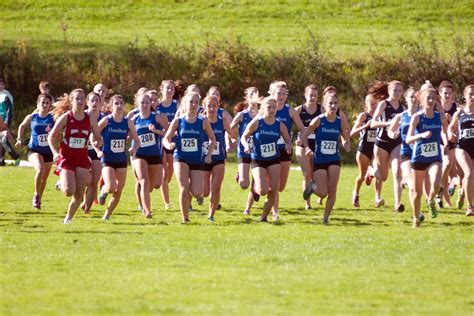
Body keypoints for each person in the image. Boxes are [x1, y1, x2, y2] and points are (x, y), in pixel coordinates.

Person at [48, 89, 103, 224]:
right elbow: (51, 137)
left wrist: (97, 142)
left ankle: (68, 218)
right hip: (67, 157)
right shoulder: (67, 117)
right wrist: (55, 152)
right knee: (68, 191)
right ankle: (62, 181)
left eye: (82, 99)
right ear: (71, 101)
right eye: (77, 99)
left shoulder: (90, 119)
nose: (79, 101)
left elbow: (99, 138)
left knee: (79, 193)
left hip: (82, 158)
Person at [163, 92, 216, 223]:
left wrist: (208, 155)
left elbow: (213, 140)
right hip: (180, 157)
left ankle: (196, 197)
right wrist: (169, 145)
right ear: (185, 104)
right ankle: (185, 218)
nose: (193, 105)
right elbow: (166, 138)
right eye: (191, 102)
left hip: (197, 159)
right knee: (183, 187)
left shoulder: (203, 121)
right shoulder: (178, 121)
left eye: (196, 103)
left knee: (198, 192)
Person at [302, 93, 351, 224]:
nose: (333, 105)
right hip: (319, 160)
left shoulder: (339, 121)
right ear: (324, 105)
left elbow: (345, 137)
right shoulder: (318, 120)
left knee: (332, 190)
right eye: (330, 103)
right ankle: (312, 187)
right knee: (323, 193)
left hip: (334, 159)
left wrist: (346, 143)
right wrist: (307, 148)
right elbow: (304, 136)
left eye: (335, 103)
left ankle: (325, 218)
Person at [241, 96, 292, 222]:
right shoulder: (257, 122)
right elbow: (243, 137)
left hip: (274, 159)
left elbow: (288, 140)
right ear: (263, 108)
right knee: (263, 190)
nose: (272, 109)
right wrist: (246, 146)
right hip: (258, 159)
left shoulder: (280, 125)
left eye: (274, 107)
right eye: (269, 107)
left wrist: (289, 145)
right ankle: (256, 187)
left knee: (273, 191)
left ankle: (263, 218)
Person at [406, 87, 448, 227]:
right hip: (419, 158)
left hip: (435, 157)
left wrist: (447, 142)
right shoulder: (417, 117)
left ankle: (430, 200)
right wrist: (420, 135)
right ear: (422, 100)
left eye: (433, 98)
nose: (431, 101)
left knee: (436, 182)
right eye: (428, 98)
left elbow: (445, 132)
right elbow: (408, 139)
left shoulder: (440, 116)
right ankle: (416, 218)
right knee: (417, 193)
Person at [94, 95, 140, 220]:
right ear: (111, 106)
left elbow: (137, 140)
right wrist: (98, 150)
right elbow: (93, 136)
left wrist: (134, 148)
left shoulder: (128, 122)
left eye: (121, 103)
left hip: (121, 160)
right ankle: (104, 190)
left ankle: (107, 215)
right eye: (116, 103)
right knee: (111, 186)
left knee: (118, 191)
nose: (119, 106)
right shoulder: (106, 121)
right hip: (107, 159)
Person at [269, 81, 305, 218]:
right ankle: (275, 212)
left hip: (285, 149)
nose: (282, 96)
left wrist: (302, 139)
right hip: (270, 150)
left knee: (281, 186)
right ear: (273, 94)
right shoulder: (267, 108)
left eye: (284, 93)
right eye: (279, 93)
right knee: (275, 184)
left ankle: (267, 193)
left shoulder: (290, 110)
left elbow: (302, 128)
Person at [131, 93, 168, 219]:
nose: (145, 105)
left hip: (155, 155)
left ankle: (144, 200)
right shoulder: (134, 119)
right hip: (139, 154)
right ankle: (147, 210)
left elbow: (169, 132)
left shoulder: (157, 118)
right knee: (144, 181)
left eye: (147, 102)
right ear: (137, 104)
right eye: (142, 102)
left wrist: (156, 131)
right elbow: (126, 135)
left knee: (152, 186)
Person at [370, 80, 405, 211]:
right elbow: (373, 123)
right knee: (383, 177)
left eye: (400, 90)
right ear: (389, 91)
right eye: (395, 90)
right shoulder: (383, 104)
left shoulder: (403, 109)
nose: (397, 93)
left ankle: (397, 204)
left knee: (397, 171)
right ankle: (371, 171)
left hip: (396, 142)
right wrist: (388, 123)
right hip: (382, 143)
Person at [15, 94, 55, 209]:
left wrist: (52, 131)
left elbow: (58, 134)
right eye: (42, 102)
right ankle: (36, 195)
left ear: (50, 105)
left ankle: (39, 199)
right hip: (34, 150)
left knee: (44, 179)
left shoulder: (53, 118)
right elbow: (22, 126)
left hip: (48, 152)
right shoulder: (32, 117)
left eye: (47, 103)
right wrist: (19, 138)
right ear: (38, 104)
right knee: (40, 170)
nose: (45, 105)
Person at [201, 95, 237, 221]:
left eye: (214, 106)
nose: (211, 108)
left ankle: (211, 215)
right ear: (204, 107)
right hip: (204, 158)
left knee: (216, 188)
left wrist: (233, 142)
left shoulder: (222, 121)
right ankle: (197, 194)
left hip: (219, 158)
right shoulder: (201, 121)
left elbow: (232, 135)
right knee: (204, 191)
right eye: (209, 106)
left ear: (218, 107)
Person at [230, 87, 259, 215]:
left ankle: (247, 209)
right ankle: (240, 174)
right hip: (244, 150)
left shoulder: (263, 114)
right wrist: (231, 140)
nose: (254, 97)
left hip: (258, 153)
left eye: (257, 94)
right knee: (244, 184)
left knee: (256, 182)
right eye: (251, 95)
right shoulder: (242, 115)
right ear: (246, 98)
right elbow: (229, 128)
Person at [387, 87, 420, 195]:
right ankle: (406, 181)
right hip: (406, 151)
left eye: (416, 97)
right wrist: (393, 135)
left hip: (420, 151)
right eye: (411, 97)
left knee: (418, 184)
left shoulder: (423, 116)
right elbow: (390, 131)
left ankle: (416, 210)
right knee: (413, 184)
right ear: (406, 98)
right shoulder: (401, 116)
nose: (414, 99)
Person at [448, 85, 474, 216]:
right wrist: (450, 134)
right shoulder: (459, 113)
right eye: (470, 94)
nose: (473, 97)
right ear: (465, 96)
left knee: (470, 177)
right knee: (469, 173)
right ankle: (470, 207)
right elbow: (451, 128)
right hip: (462, 147)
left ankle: (463, 193)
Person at [295, 84, 321, 210]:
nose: (313, 97)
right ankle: (307, 203)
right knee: (307, 174)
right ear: (305, 95)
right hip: (302, 145)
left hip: (317, 145)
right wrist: (291, 139)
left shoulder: (322, 110)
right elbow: (285, 123)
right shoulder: (299, 110)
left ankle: (317, 194)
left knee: (315, 175)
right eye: (310, 95)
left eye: (315, 95)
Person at [350, 94, 378, 207]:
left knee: (378, 172)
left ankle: (377, 197)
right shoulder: (363, 116)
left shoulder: (380, 116)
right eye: (371, 104)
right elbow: (352, 133)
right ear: (366, 104)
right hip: (364, 150)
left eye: (375, 104)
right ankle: (355, 193)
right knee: (361, 176)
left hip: (376, 149)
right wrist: (365, 126)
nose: (374, 106)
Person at [435, 80, 458, 208]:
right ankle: (440, 190)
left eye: (450, 93)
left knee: (451, 168)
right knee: (448, 163)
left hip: (453, 141)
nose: (448, 95)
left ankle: (441, 191)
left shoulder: (457, 108)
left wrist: (451, 121)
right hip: (439, 140)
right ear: (440, 94)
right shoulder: (436, 108)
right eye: (445, 93)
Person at [157, 80, 177, 209]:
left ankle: (163, 183)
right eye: (167, 88)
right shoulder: (157, 105)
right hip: (160, 140)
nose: (169, 91)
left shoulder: (177, 105)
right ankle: (167, 203)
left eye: (171, 88)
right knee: (165, 172)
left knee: (170, 173)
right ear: (162, 89)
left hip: (173, 140)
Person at [82, 92, 104, 214]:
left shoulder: (104, 118)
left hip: (97, 152)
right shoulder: (82, 116)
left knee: (94, 181)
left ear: (101, 103)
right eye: (92, 100)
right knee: (85, 180)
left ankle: (87, 208)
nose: (95, 103)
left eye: (97, 100)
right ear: (88, 102)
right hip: (82, 151)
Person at [0, 78, 19, 165]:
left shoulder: (6, 95)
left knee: (4, 141)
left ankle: (16, 157)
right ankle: (1, 160)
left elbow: (9, 110)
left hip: (4, 121)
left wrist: (7, 122)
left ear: (4, 85)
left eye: (1, 84)